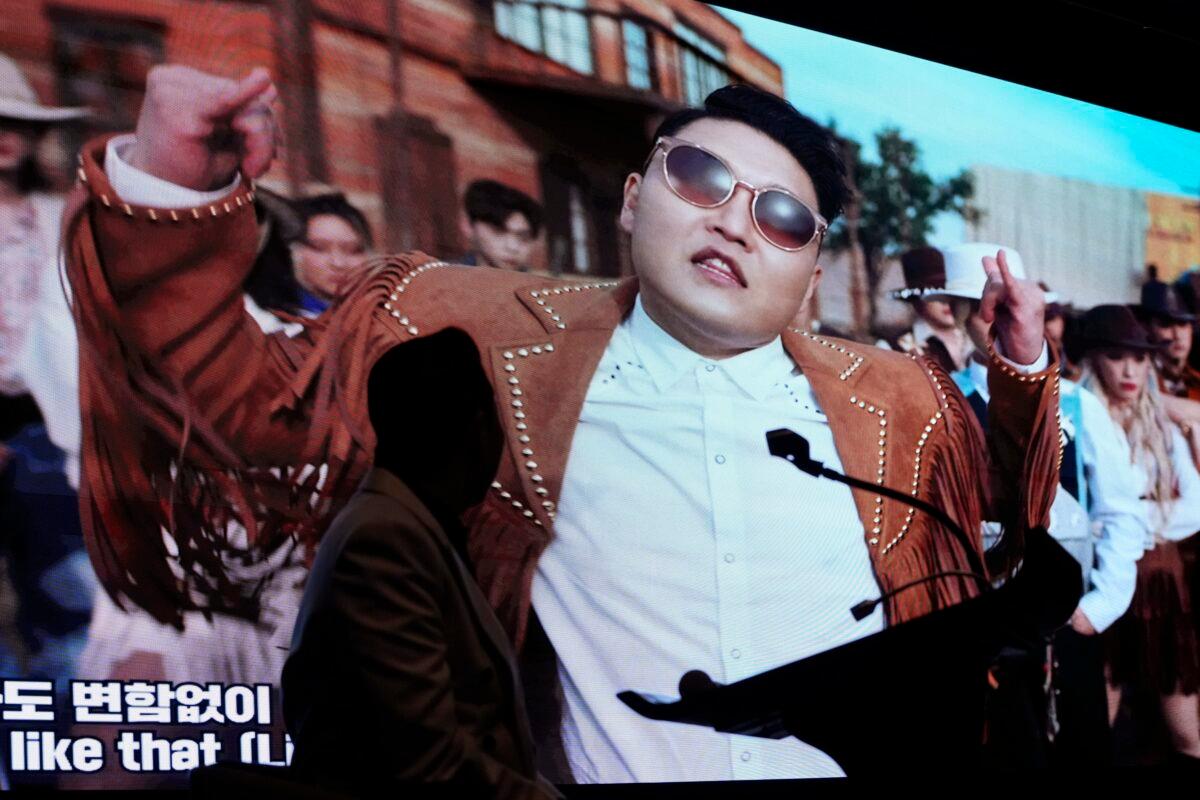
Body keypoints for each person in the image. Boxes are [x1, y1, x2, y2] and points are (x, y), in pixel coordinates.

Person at [64, 67, 1061, 782]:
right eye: (702, 178)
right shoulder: (480, 344)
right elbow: (240, 406)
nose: (732, 220)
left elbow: (996, 529)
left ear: (809, 268)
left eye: (782, 217)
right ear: (632, 202)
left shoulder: (897, 397)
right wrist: (168, 186)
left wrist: (1019, 368)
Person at [283, 328, 558, 798]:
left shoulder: (405, 525)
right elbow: (429, 762)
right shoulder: (384, 539)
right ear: (477, 430)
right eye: (498, 418)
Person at [939, 244, 1147, 767]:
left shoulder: (1077, 403)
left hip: (1063, 628)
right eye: (981, 307)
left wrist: (1097, 609)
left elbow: (1121, 511)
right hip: (974, 635)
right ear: (957, 312)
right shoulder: (939, 400)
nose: (994, 319)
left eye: (1009, 305)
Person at [0, 52, 96, 688]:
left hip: (47, 427)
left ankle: (66, 752)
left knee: (69, 600)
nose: (7, 138)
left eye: (18, 124)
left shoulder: (62, 217)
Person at [1075, 305, 1200, 765]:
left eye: (1139, 358)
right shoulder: (1079, 419)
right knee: (1093, 726)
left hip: (1160, 585)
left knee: (1185, 730)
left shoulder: (1162, 426)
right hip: (1101, 581)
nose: (1130, 370)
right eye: (1116, 356)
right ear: (1094, 360)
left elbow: (1197, 504)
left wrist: (1128, 524)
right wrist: (1124, 525)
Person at [883, 246, 974, 373]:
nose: (945, 301)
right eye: (935, 294)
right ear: (916, 301)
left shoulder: (976, 339)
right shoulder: (892, 349)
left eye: (950, 293)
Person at [459, 179, 542, 271]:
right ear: (468, 227)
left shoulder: (546, 284)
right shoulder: (446, 279)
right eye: (499, 231)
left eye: (524, 237)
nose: (512, 247)